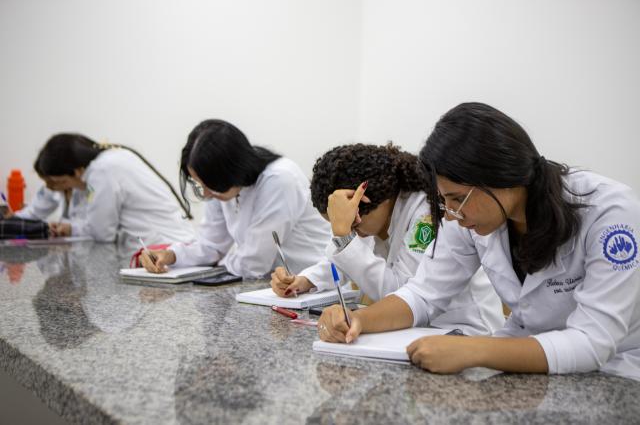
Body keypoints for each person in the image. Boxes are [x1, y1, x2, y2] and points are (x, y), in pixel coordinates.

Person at [318, 102, 640, 381]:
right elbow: (423, 293)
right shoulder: (474, 216)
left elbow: (591, 342)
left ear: (501, 175)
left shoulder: (610, 213)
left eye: (458, 199)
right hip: (532, 367)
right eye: (445, 201)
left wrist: (473, 350)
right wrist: (358, 320)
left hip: (617, 374)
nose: (452, 214)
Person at [271, 143, 503, 334]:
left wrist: (345, 236)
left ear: (370, 199)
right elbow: (342, 260)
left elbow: (400, 291)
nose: (352, 230)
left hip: (465, 330)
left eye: (352, 223)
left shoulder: (426, 212)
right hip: (418, 330)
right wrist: (305, 280)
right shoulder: (375, 216)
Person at [140, 119, 331, 278]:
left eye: (210, 185)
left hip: (318, 286)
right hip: (274, 288)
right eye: (200, 185)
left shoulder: (280, 180)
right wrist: (171, 255)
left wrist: (216, 266)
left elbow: (254, 262)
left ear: (232, 171)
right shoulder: (221, 187)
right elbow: (211, 245)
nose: (206, 194)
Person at [33, 133, 195, 244]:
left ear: (76, 171)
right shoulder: (109, 161)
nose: (57, 188)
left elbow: (102, 233)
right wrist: (70, 228)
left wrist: (72, 228)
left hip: (166, 245)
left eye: (61, 182)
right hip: (169, 245)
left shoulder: (102, 171)